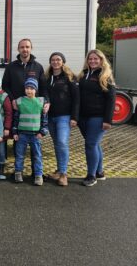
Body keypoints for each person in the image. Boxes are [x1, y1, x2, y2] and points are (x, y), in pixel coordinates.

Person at [2, 39, 49, 176]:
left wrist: (47, 102)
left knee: (36, 148)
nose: (25, 49)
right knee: (19, 144)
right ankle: (19, 171)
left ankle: (37, 173)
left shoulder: (38, 67)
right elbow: (6, 86)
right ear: (18, 49)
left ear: (31, 48)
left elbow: (44, 88)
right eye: (22, 47)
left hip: (34, 114)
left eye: (27, 47)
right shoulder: (11, 67)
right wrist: (12, 100)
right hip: (19, 110)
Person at [78, 49, 116, 187]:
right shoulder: (83, 75)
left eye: (96, 59)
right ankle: (99, 172)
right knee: (95, 144)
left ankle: (91, 175)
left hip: (98, 117)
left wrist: (108, 120)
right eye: (90, 59)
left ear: (101, 60)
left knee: (90, 144)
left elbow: (111, 100)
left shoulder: (106, 76)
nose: (92, 61)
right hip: (83, 117)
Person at [45, 52, 79, 186]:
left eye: (58, 59)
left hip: (64, 117)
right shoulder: (47, 78)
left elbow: (77, 99)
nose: (55, 62)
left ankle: (64, 174)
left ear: (63, 62)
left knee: (62, 142)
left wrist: (75, 117)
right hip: (51, 116)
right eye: (53, 60)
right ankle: (58, 171)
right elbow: (44, 93)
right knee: (57, 144)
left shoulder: (70, 78)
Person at [12, 78, 49, 186]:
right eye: (27, 88)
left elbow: (44, 119)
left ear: (36, 90)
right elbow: (16, 118)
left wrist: (42, 132)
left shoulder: (41, 102)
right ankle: (18, 173)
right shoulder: (19, 101)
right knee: (19, 155)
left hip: (35, 135)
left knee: (37, 156)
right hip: (22, 134)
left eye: (32, 88)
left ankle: (38, 175)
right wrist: (15, 132)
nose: (29, 90)